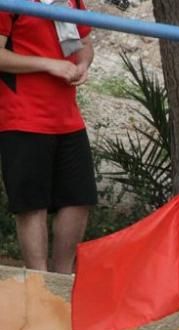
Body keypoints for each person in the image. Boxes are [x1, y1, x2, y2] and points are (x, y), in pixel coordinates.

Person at [0, 0, 96, 274]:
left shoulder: (72, 0)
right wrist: (48, 65)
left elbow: (85, 43)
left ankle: (62, 281)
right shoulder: (10, 2)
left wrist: (83, 64)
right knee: (32, 204)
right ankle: (38, 283)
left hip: (68, 117)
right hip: (22, 116)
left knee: (79, 199)